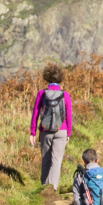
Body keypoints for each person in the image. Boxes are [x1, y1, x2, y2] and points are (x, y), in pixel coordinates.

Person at [26, 64, 74, 193]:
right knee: (56, 160)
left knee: (46, 159)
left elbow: (35, 113)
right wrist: (68, 133)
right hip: (61, 131)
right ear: (60, 79)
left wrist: (32, 132)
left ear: (46, 78)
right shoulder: (65, 95)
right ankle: (52, 188)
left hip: (45, 130)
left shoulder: (42, 93)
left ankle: (44, 187)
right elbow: (69, 116)